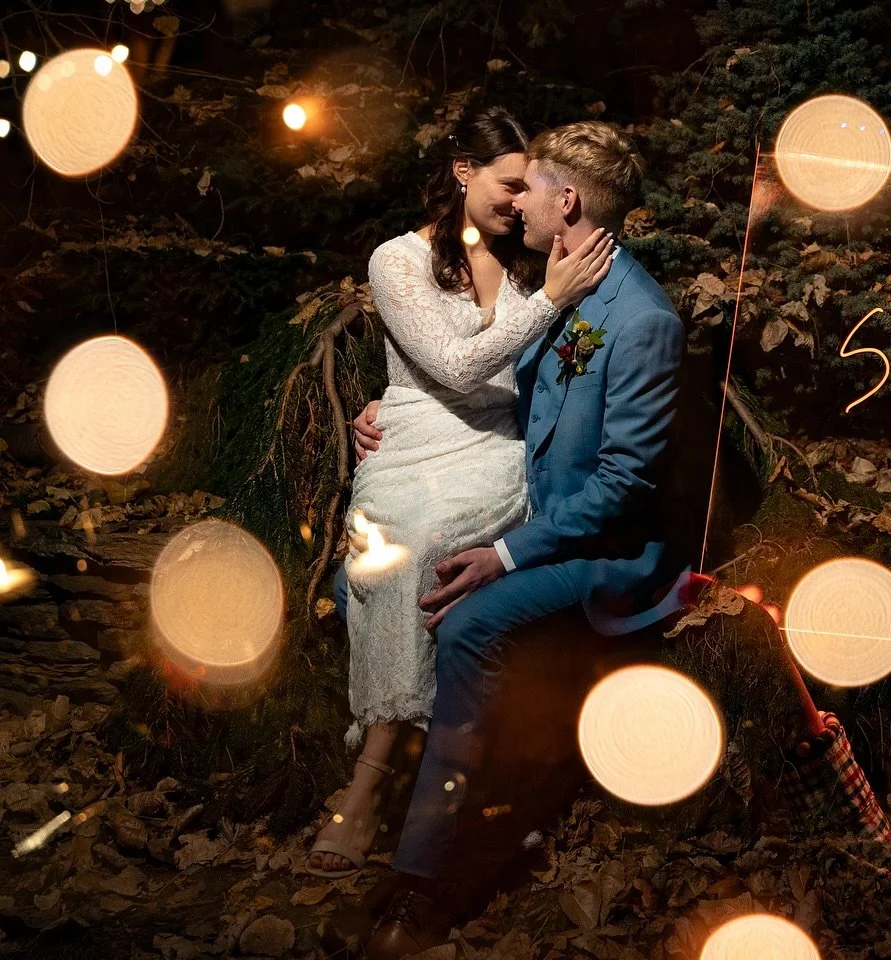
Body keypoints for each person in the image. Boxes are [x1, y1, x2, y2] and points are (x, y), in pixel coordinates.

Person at [346, 120, 693, 959]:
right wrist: (383, 409)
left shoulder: (640, 318)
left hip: (607, 552)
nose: (515, 205)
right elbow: (483, 376)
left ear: (565, 200)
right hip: (529, 513)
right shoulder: (565, 284)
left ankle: (424, 881)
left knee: (464, 623)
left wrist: (505, 554)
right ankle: (392, 791)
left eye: (528, 187)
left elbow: (624, 489)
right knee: (372, 576)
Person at [306, 105, 615, 879]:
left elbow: (525, 380)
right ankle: (412, 751)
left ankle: (370, 785)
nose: (521, 201)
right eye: (509, 184)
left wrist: (545, 296)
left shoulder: (533, 259)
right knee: (384, 546)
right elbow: (448, 367)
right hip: (410, 437)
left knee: (417, 551)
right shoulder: (396, 260)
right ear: (463, 171)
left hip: (494, 449)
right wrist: (549, 303)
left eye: (530, 188)